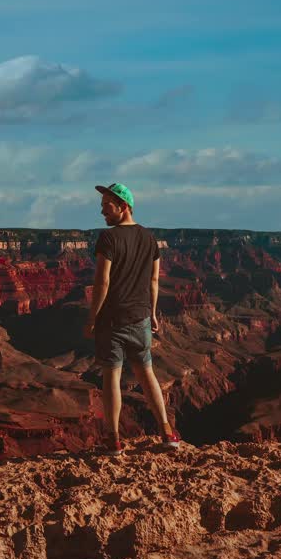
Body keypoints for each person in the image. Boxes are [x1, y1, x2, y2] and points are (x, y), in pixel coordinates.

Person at [83, 182, 181, 456]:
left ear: (123, 207)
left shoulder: (109, 238)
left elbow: (102, 282)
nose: (102, 212)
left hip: (112, 321)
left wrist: (92, 318)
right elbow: (153, 280)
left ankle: (113, 441)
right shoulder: (150, 238)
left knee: (111, 377)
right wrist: (152, 312)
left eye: (107, 207)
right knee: (147, 373)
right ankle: (167, 433)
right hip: (140, 319)